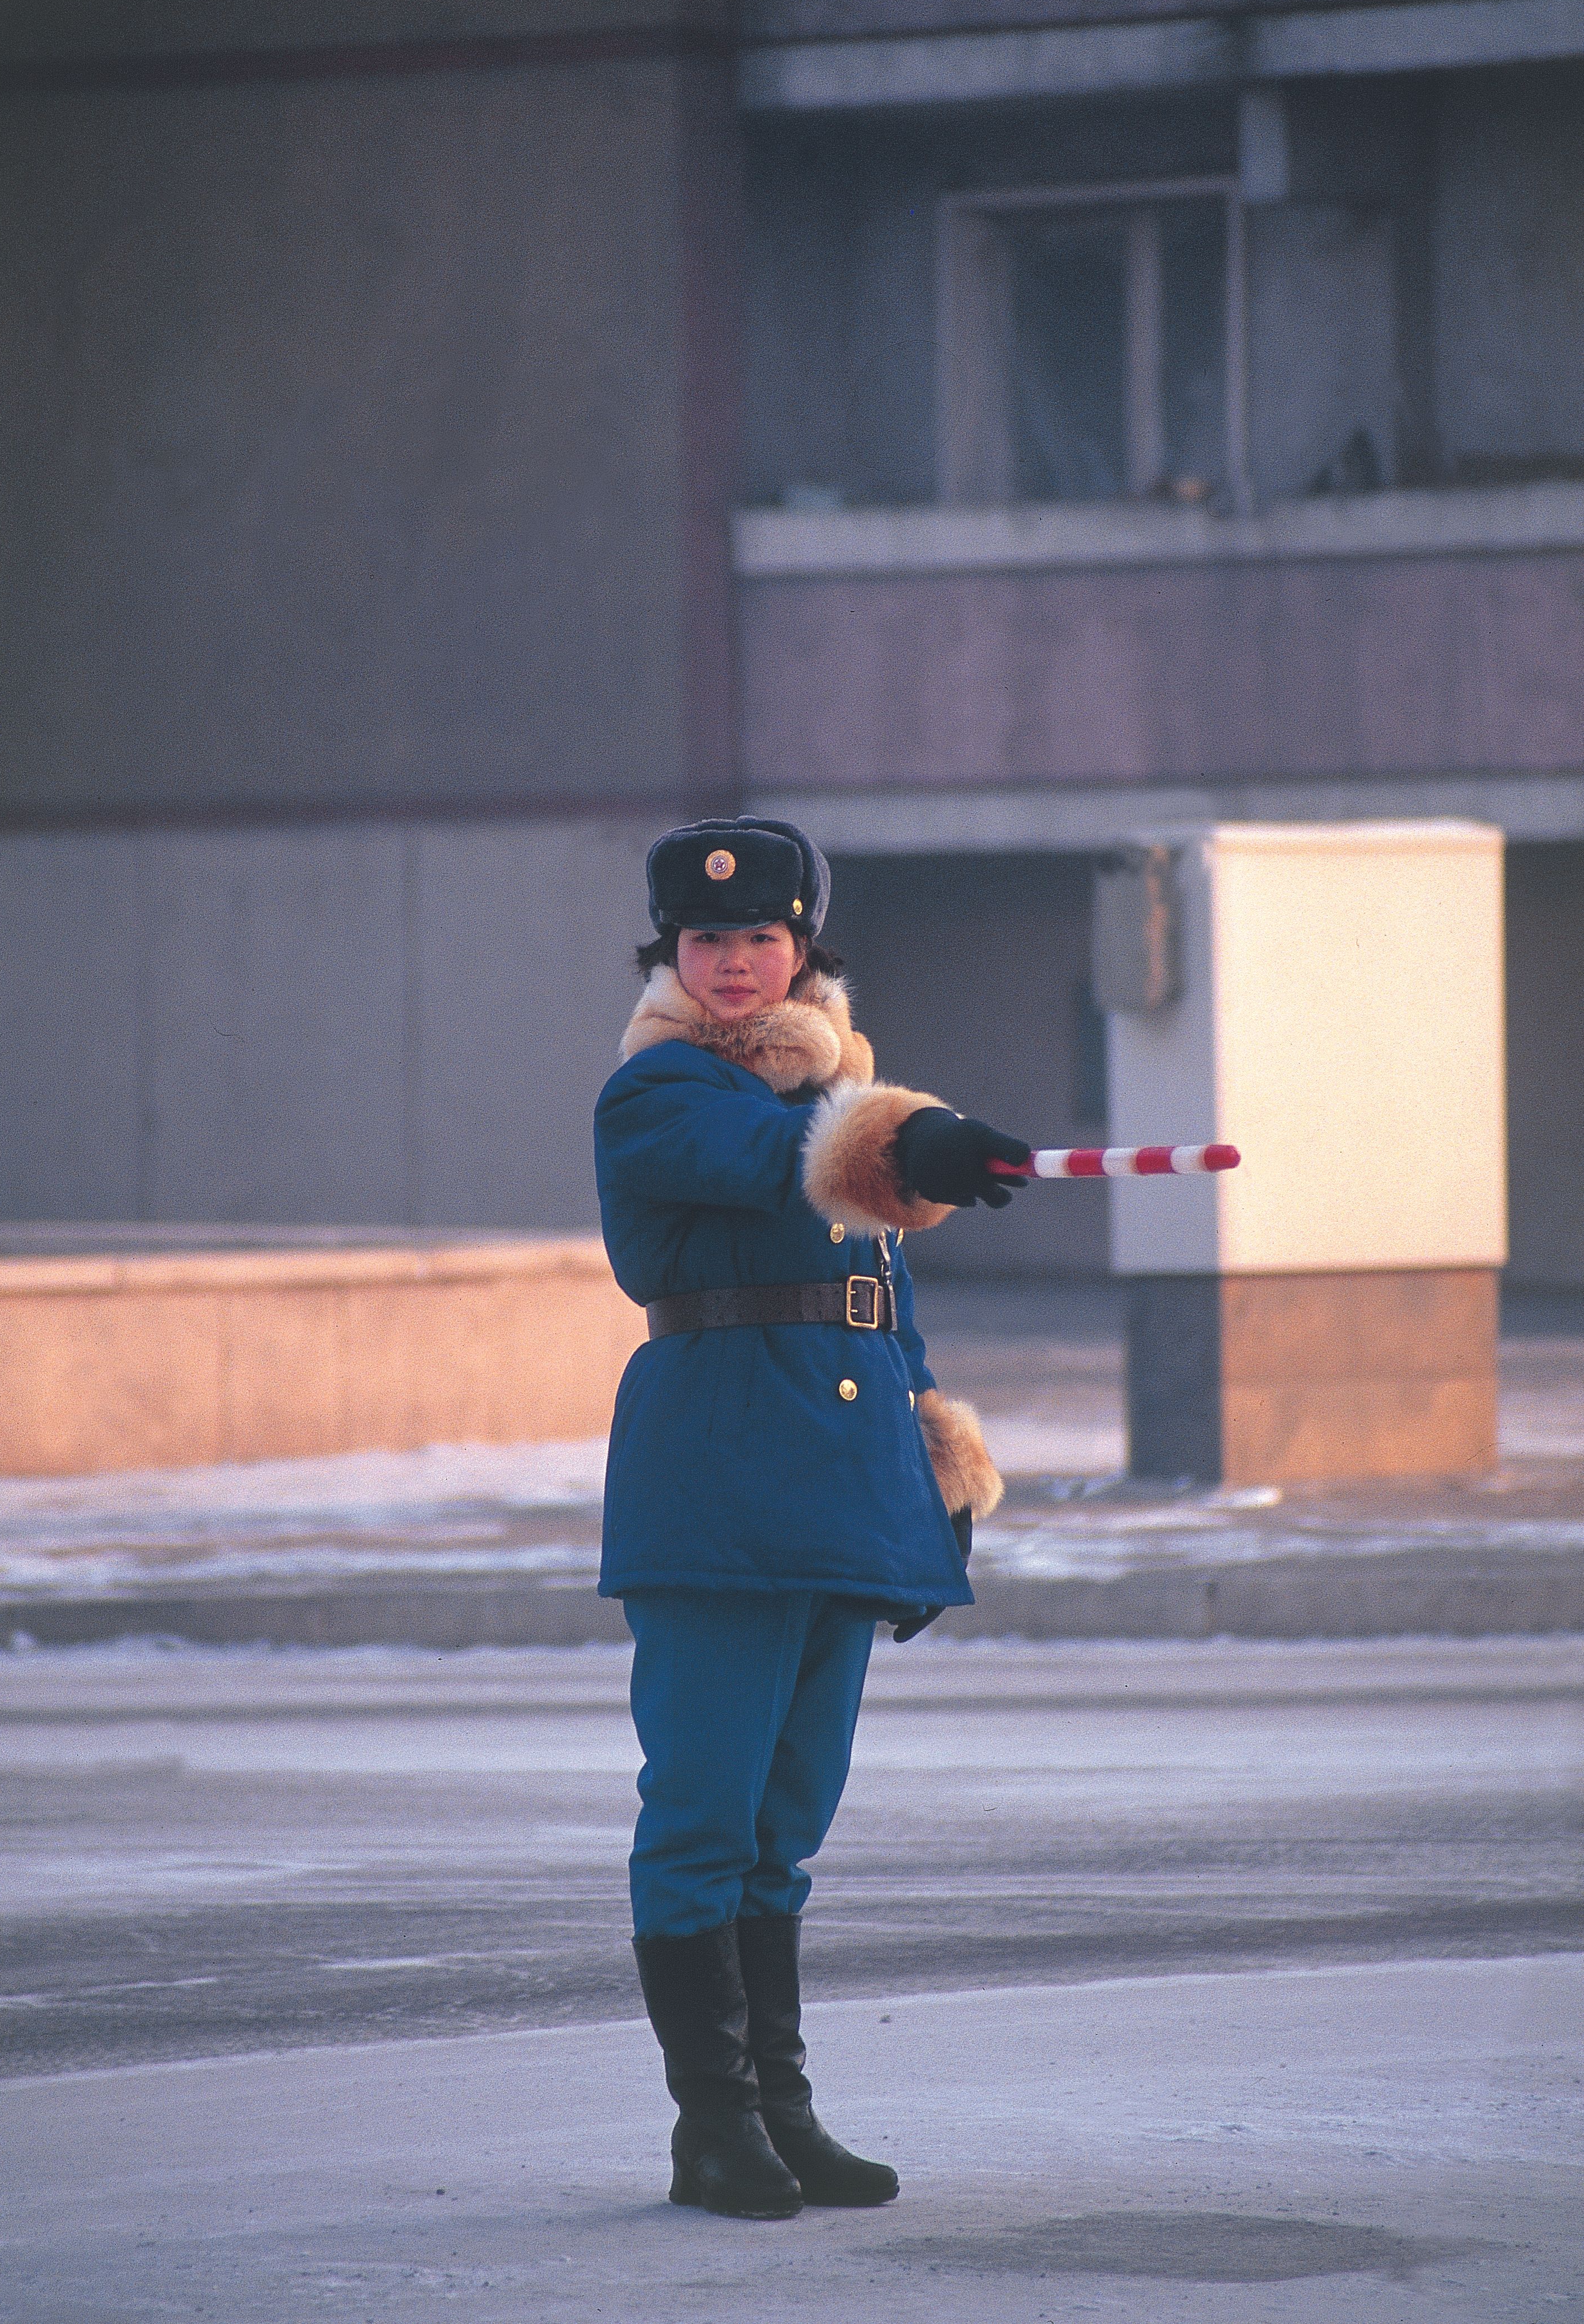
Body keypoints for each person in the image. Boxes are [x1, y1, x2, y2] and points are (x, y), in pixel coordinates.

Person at [594, 816, 1031, 2220]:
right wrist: (923, 1140)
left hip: (837, 1487)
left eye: (760, 939)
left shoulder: (843, 1110)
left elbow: (882, 1321)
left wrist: (929, 1485)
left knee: (785, 1828)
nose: (733, 962)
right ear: (676, 956)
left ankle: (780, 2113)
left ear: (801, 952)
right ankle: (708, 2127)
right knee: (705, 1817)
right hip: (719, 1489)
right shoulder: (661, 1093)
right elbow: (778, 1153)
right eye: (707, 941)